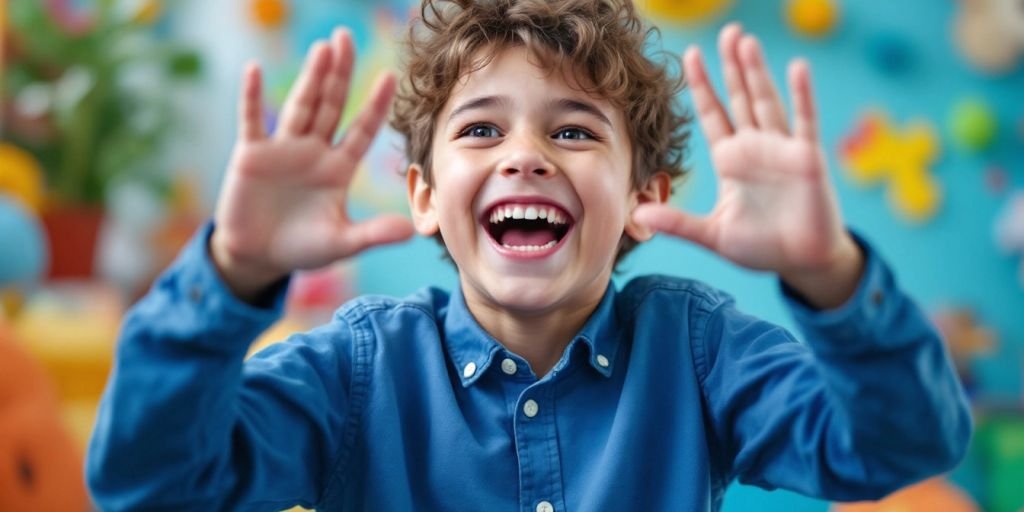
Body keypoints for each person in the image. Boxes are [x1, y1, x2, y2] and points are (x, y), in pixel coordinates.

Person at [86, 1, 972, 510]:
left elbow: (899, 447)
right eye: (480, 128)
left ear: (643, 199)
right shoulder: (357, 369)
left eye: (573, 130)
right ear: (426, 196)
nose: (525, 155)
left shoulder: (698, 348)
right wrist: (233, 270)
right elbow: (148, 480)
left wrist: (828, 275)